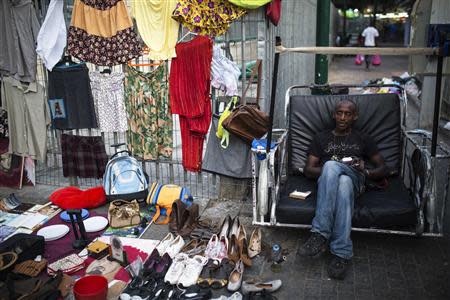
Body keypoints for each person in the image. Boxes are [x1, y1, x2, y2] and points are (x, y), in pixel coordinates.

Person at [298, 99, 388, 279]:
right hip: (332, 182)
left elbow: (383, 168)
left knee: (334, 168)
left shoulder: (362, 138)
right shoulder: (321, 137)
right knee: (342, 183)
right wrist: (334, 167)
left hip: (358, 179)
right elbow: (308, 169)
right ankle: (341, 253)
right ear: (334, 114)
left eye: (348, 114)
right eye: (339, 113)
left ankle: (320, 233)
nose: (342, 117)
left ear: (355, 117)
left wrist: (366, 171)